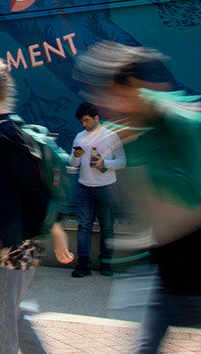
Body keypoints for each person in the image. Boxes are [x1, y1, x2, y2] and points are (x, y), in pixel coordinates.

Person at [74, 42, 201, 354]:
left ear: (133, 88)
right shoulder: (135, 124)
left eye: (110, 93)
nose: (105, 104)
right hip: (172, 264)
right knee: (147, 345)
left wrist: (139, 148)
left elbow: (192, 193)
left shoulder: (187, 121)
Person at [0, 54, 73, 354]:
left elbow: (34, 189)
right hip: (12, 246)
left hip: (13, 250)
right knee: (15, 320)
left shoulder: (5, 136)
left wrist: (56, 227)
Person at [68, 101, 125, 277]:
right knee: (84, 226)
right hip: (84, 186)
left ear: (96, 118)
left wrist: (104, 163)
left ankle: (106, 263)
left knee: (107, 226)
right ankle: (83, 264)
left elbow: (122, 161)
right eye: (82, 122)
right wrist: (76, 157)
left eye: (87, 120)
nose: (84, 124)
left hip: (106, 187)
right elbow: (72, 163)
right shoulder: (79, 137)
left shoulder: (111, 136)